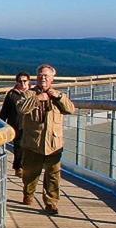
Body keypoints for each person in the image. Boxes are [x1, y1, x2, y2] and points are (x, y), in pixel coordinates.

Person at [17, 64, 75, 215]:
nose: (43, 78)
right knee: (30, 174)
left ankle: (51, 203)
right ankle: (28, 194)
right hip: (32, 143)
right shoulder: (28, 94)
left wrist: (58, 97)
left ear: (52, 79)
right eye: (41, 75)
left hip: (54, 144)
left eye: (46, 76)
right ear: (37, 78)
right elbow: (21, 109)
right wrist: (37, 99)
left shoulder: (58, 95)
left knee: (53, 176)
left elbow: (70, 109)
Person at [0, 72, 30, 177]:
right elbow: (4, 111)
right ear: (17, 82)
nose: (22, 83)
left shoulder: (33, 93)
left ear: (28, 81)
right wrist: (0, 124)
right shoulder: (12, 94)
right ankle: (18, 167)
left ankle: (27, 166)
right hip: (16, 124)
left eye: (24, 81)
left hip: (31, 125)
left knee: (29, 147)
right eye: (20, 81)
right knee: (19, 146)